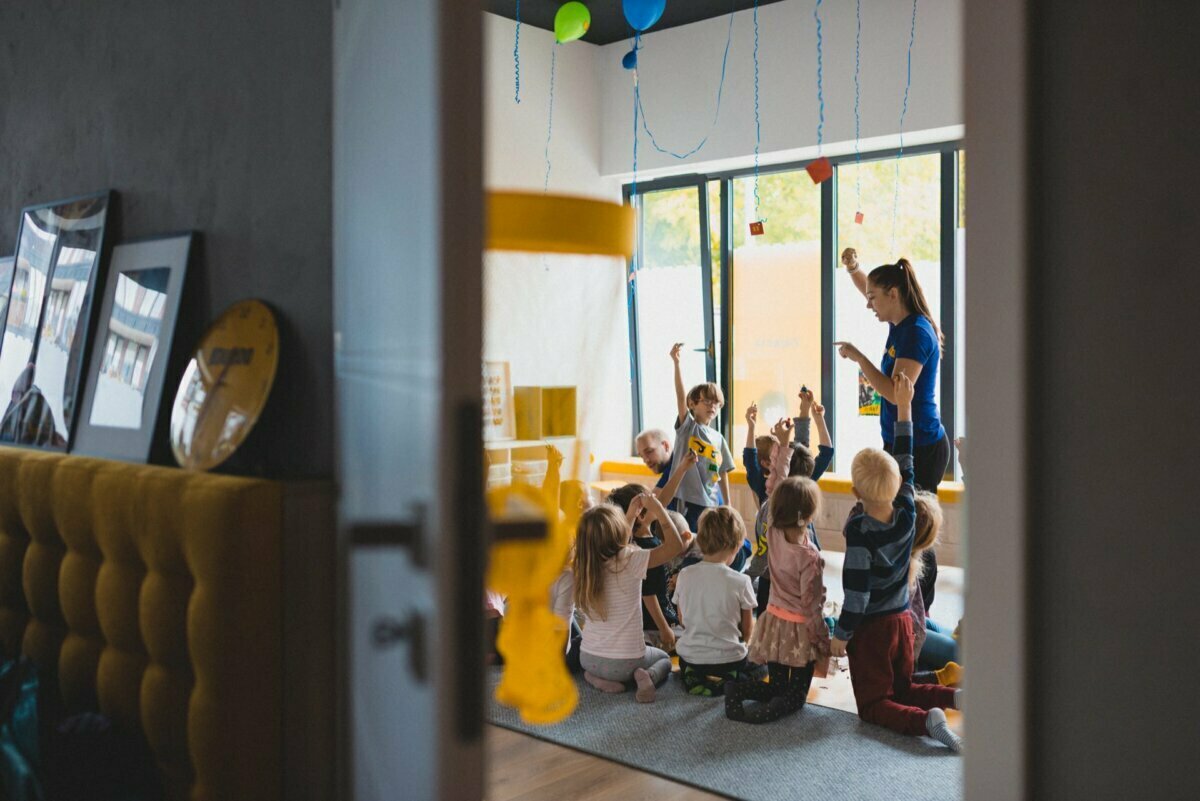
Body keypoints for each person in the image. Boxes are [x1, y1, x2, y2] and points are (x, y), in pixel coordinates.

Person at [830, 373, 962, 752]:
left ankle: (926, 720)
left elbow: (856, 595)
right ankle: (954, 699)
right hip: (904, 621)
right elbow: (906, 458)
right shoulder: (907, 507)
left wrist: (841, 637)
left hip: (873, 629)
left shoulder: (859, 533)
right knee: (903, 686)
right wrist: (904, 406)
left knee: (874, 704)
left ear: (855, 493)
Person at [835, 247, 947, 609]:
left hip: (923, 444)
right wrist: (855, 269)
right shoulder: (900, 323)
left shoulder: (916, 333)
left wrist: (857, 356)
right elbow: (869, 288)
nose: (869, 305)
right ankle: (904, 605)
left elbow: (894, 390)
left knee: (916, 530)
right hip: (902, 438)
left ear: (893, 295)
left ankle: (918, 614)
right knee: (903, 525)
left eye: (874, 298)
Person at [725, 419, 830, 724]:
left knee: (777, 685)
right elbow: (813, 607)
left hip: (773, 620)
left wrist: (783, 445)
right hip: (798, 630)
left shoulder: (771, 532)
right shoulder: (811, 558)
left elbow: (778, 483)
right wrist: (822, 640)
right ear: (808, 517)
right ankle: (760, 715)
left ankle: (736, 690)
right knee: (794, 698)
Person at [574, 495, 685, 702]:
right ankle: (646, 677)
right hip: (628, 662)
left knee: (593, 668)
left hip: (588, 658)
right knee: (663, 660)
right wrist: (659, 510)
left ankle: (596, 679)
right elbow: (675, 547)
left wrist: (631, 515)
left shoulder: (584, 566)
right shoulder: (631, 559)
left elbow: (611, 544)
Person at [747, 390, 834, 614]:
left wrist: (807, 415)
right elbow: (822, 451)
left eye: (780, 455)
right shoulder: (799, 482)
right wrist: (809, 414)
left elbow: (806, 452)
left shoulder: (786, 489)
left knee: (781, 608)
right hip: (782, 564)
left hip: (778, 564)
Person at [672, 507, 762, 697]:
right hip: (730, 658)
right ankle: (729, 679)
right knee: (762, 668)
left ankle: (694, 677)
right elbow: (747, 631)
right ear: (736, 546)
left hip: (691, 657)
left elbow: (682, 620)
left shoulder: (684, 575)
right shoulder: (741, 581)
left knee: (684, 662)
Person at [667, 344, 736, 551]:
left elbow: (723, 473)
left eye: (716, 403)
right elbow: (680, 396)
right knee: (684, 545)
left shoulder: (718, 438)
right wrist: (677, 363)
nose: (711, 406)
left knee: (705, 547)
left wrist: (728, 505)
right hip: (686, 497)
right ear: (692, 404)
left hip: (710, 501)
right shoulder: (688, 427)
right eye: (706, 401)